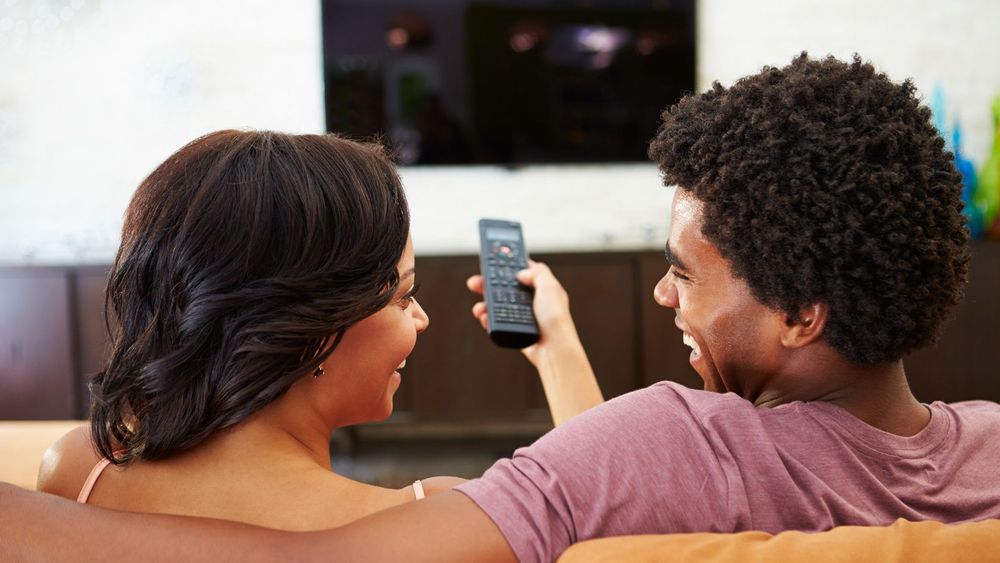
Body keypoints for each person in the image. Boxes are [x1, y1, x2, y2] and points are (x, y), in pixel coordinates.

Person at [3, 53, 999, 562]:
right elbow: (628, 483)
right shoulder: (988, 451)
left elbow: (625, 469)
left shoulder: (671, 441)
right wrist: (556, 345)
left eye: (684, 270)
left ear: (799, 314)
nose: (661, 291)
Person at [32, 130, 601, 531]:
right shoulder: (442, 521)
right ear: (311, 328)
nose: (422, 318)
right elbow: (608, 524)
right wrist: (557, 349)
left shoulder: (84, 468)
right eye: (405, 296)